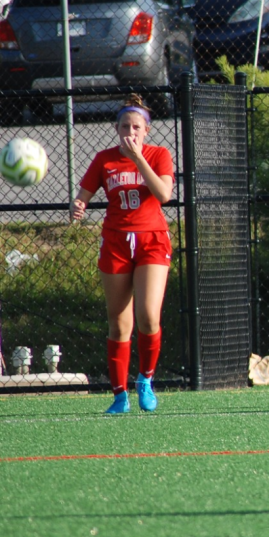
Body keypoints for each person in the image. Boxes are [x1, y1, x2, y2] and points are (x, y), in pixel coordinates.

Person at [71, 95, 174, 414]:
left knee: (149, 316)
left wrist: (138, 158)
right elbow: (83, 195)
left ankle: (145, 379)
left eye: (137, 127)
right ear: (117, 129)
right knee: (118, 324)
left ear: (146, 131)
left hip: (152, 239)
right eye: (125, 126)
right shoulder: (104, 159)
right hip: (116, 241)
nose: (131, 131)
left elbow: (164, 195)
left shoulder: (158, 155)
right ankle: (119, 395)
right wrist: (79, 206)